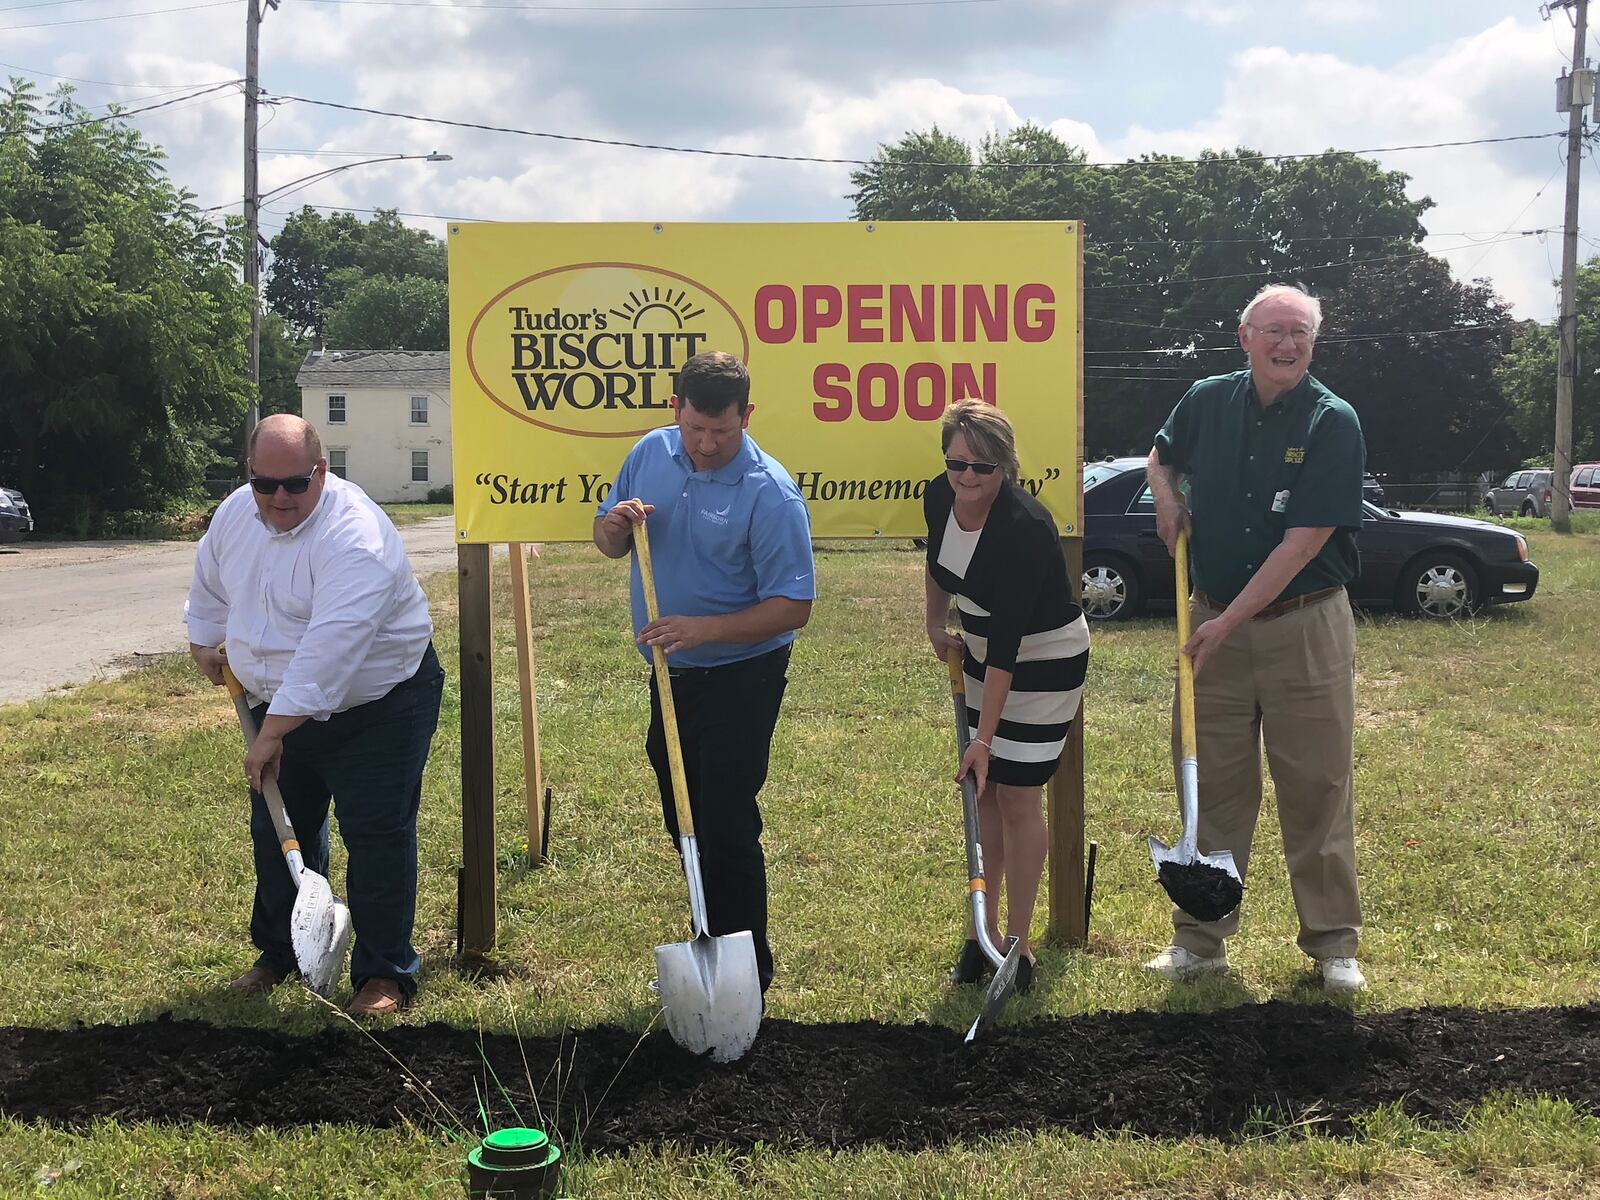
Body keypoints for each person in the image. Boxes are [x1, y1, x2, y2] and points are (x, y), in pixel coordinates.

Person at [1144, 283, 1367, 992]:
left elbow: (1301, 545)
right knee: (1211, 788)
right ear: (1245, 338)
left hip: (1303, 625)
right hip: (1211, 623)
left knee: (1317, 786)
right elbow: (1159, 455)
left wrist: (1225, 623)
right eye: (1274, 330)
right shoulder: (1209, 399)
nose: (1288, 344)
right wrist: (1168, 499)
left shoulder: (1334, 422)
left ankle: (1333, 946)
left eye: (1300, 332)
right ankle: (1200, 942)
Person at [185, 413, 443, 1016]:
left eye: (296, 484)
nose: (279, 497)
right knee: (279, 830)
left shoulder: (357, 536)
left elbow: (333, 648)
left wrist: (273, 731)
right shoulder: (235, 515)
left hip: (378, 705)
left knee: (376, 831)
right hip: (273, 703)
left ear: (321, 472)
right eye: (265, 483)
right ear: (250, 475)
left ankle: (384, 974)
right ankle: (280, 953)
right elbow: (211, 584)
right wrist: (205, 641)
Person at [593, 351, 813, 995]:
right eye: (695, 428)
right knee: (683, 815)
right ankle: (708, 939)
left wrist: (702, 629)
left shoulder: (769, 492)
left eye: (722, 430)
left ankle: (749, 974)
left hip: (741, 675)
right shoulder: (649, 454)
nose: (707, 444)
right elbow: (608, 544)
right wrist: (612, 527)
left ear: (747, 415)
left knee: (725, 820)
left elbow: (793, 606)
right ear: (676, 410)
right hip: (669, 676)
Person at [923, 399, 1089, 995]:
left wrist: (984, 739)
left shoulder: (1025, 528)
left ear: (1006, 468)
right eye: (957, 463)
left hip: (1041, 657)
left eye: (982, 468)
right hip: (979, 651)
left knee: (1017, 794)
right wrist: (934, 624)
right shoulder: (939, 496)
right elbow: (938, 566)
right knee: (983, 795)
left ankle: (1017, 951)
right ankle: (980, 937)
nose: (967, 477)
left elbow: (1009, 650)